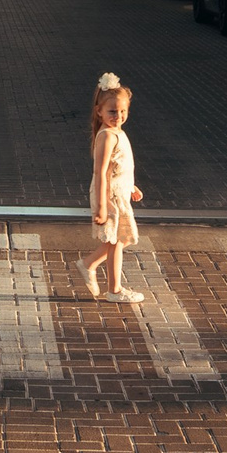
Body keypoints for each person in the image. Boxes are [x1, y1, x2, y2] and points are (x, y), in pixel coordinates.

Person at [77, 73, 144, 303]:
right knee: (117, 241)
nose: (118, 116)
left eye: (122, 111)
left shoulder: (118, 133)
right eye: (112, 111)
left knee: (122, 238)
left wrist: (131, 186)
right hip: (109, 196)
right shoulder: (106, 136)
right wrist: (102, 207)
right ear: (99, 112)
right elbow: (101, 173)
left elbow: (119, 167)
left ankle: (89, 264)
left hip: (119, 193)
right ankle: (114, 290)